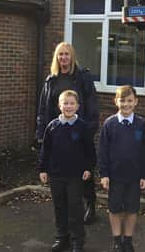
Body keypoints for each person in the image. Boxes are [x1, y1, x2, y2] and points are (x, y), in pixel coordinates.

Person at [36, 42, 100, 224]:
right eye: (60, 55)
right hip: (56, 132)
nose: (63, 58)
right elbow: (43, 108)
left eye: (67, 54)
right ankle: (65, 211)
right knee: (61, 172)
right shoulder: (51, 79)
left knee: (83, 170)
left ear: (72, 57)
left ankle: (90, 204)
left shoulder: (82, 77)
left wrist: (89, 128)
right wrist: (41, 132)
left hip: (78, 131)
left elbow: (92, 104)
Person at [39, 90, 97, 252]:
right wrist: (43, 169)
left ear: (78, 106)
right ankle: (62, 237)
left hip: (76, 175)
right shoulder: (52, 126)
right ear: (59, 106)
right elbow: (46, 149)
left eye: (72, 103)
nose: (69, 106)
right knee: (60, 206)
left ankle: (77, 240)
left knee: (75, 207)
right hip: (56, 174)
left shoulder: (82, 127)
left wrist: (88, 168)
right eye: (65, 103)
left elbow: (89, 151)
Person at [99, 86, 145, 251]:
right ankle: (117, 240)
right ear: (116, 101)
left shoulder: (141, 124)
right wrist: (104, 174)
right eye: (122, 100)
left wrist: (144, 175)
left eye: (129, 101)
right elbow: (103, 151)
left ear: (136, 102)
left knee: (132, 208)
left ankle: (127, 240)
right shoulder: (109, 124)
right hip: (115, 176)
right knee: (114, 208)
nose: (126, 104)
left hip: (134, 176)